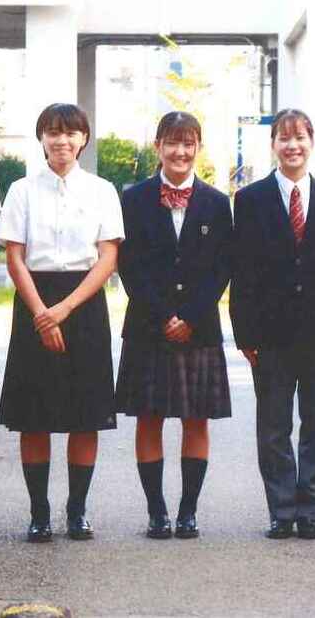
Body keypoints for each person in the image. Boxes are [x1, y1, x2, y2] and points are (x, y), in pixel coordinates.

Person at [0, 103, 123, 542]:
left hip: (83, 304)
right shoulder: (22, 190)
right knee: (35, 415)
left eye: (70, 133)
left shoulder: (102, 190)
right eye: (52, 132)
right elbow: (13, 256)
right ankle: (39, 512)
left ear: (83, 138)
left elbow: (108, 257)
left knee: (86, 414)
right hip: (34, 300)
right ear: (41, 138)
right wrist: (41, 315)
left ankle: (77, 510)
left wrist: (64, 310)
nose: (61, 140)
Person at [230, 109, 315, 540]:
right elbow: (241, 273)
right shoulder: (249, 201)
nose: (292, 145)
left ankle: (311, 512)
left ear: (311, 141)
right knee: (274, 426)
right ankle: (282, 510)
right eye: (284, 138)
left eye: (300, 137)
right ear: (273, 146)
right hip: (270, 336)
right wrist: (244, 333)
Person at [115, 111, 234, 540]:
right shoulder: (132, 199)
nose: (180, 152)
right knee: (148, 419)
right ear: (158, 146)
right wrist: (164, 316)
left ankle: (188, 511)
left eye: (188, 143)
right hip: (148, 327)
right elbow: (128, 266)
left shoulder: (218, 203)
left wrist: (193, 316)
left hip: (199, 329)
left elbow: (222, 267)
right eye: (172, 142)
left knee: (195, 420)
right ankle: (156, 511)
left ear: (198, 147)